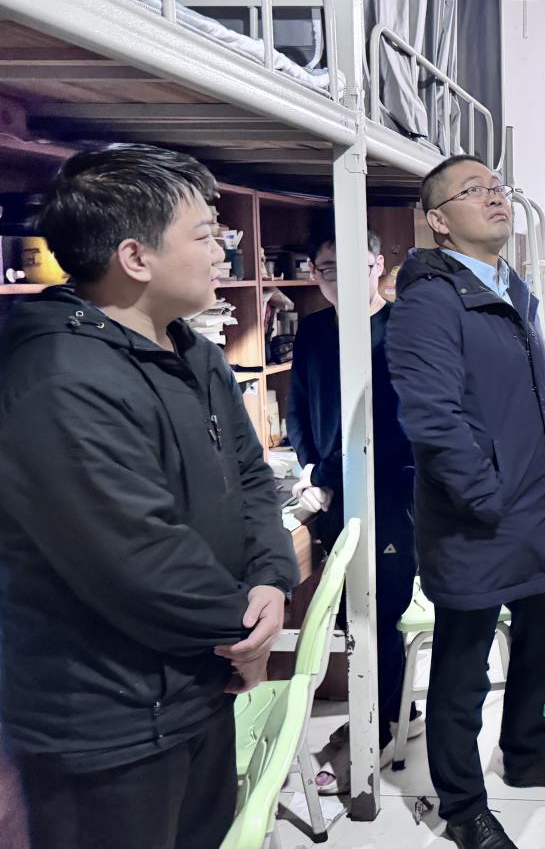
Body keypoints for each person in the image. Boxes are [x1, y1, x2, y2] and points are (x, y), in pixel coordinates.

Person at [0, 144, 298, 849]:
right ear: (135, 257)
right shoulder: (59, 377)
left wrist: (269, 577)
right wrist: (244, 635)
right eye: (205, 236)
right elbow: (135, 556)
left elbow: (250, 476)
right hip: (109, 721)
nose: (221, 251)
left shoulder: (190, 350)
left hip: (194, 685)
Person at [387, 155, 545, 849]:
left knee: (544, 639)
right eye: (472, 190)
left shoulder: (511, 289)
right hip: (477, 518)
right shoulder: (429, 302)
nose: (494, 197)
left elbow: (537, 397)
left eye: (497, 187)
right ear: (438, 220)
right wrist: (486, 496)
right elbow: (432, 418)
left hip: (538, 505)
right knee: (464, 664)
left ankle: (527, 750)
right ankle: (463, 806)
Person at [287, 220, 418, 792]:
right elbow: (298, 406)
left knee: (377, 613)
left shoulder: (401, 330)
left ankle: (375, 734)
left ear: (378, 266)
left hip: (389, 493)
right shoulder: (316, 330)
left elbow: (392, 428)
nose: (339, 280)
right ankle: (392, 714)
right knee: (349, 615)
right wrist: (310, 469)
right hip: (332, 494)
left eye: (353, 268)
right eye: (327, 270)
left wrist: (328, 476)